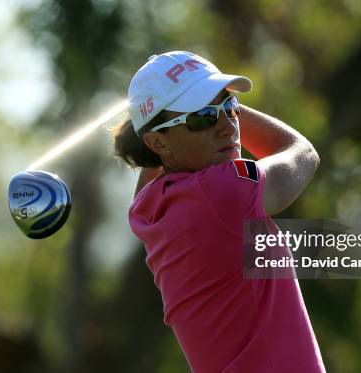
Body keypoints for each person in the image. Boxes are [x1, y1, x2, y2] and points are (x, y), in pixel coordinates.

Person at [112, 51, 325, 373]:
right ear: (157, 142)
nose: (228, 127)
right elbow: (301, 153)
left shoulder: (147, 207)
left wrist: (203, 104)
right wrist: (220, 99)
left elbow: (155, 163)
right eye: (202, 118)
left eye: (231, 109)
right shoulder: (223, 191)